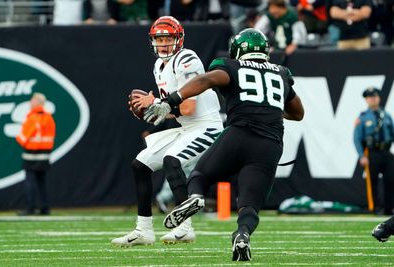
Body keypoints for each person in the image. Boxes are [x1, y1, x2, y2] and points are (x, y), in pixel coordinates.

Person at [144, 28, 304, 261]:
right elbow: (298, 113)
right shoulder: (281, 72)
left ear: (237, 50)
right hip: (269, 144)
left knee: (200, 175)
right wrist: (268, 107)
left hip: (238, 134)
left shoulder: (231, 66)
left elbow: (207, 79)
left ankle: (196, 197)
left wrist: (171, 100)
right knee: (249, 204)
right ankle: (242, 234)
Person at [111, 16, 224, 246]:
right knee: (140, 165)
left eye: (167, 38)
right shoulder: (158, 66)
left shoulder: (186, 59)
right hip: (187, 127)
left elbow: (189, 107)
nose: (163, 44)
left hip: (207, 126)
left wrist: (157, 103)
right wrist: (156, 109)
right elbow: (176, 111)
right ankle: (144, 230)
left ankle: (185, 228)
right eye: (159, 39)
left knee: (172, 160)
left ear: (178, 39)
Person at [354, 87, 394, 215]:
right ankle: (375, 207)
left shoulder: (386, 115)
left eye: (375, 96)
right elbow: (357, 138)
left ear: (379, 98)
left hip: (386, 152)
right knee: (373, 182)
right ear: (366, 100)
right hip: (372, 153)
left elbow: (392, 134)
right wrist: (362, 155)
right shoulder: (363, 117)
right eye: (370, 97)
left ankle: (389, 207)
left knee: (391, 179)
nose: (373, 99)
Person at [16, 93, 56, 216]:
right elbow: (51, 136)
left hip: (31, 155)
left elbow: (23, 138)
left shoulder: (32, 118)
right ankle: (45, 208)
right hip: (44, 155)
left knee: (30, 182)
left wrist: (20, 139)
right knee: (41, 183)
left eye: (32, 101)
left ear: (38, 102)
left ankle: (30, 207)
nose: (30, 103)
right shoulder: (49, 118)